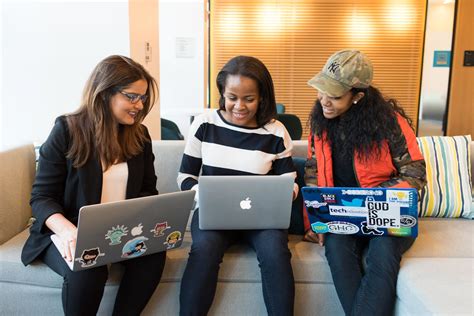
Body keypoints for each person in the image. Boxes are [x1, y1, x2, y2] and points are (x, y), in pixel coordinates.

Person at [21, 55, 166, 316]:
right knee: (90, 263)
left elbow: (147, 192)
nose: (139, 105)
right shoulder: (66, 130)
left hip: (120, 232)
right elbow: (41, 197)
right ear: (104, 93)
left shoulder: (140, 135)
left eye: (143, 98)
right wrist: (68, 232)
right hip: (68, 232)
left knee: (154, 256)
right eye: (132, 96)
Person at [303, 49, 427, 315]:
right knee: (336, 249)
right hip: (343, 216)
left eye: (334, 95)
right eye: (321, 90)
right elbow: (313, 174)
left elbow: (415, 173)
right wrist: (315, 221)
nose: (324, 100)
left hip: (388, 214)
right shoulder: (319, 124)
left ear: (357, 96)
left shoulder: (389, 124)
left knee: (381, 254)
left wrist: (371, 199)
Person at [178, 55, 298, 316]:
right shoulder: (205, 124)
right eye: (232, 97)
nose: (239, 106)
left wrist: (287, 191)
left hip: (262, 217)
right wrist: (204, 195)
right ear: (222, 93)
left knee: (275, 253)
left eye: (249, 99)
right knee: (203, 251)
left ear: (262, 97)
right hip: (214, 215)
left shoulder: (276, 132)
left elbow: (288, 179)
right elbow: (185, 177)